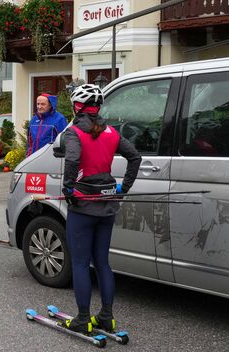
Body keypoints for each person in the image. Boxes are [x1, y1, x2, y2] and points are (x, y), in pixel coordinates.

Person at [61, 84, 141, 334]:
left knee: (81, 263)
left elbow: (72, 159)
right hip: (107, 203)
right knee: (103, 263)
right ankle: (106, 316)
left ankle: (83, 319)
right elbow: (135, 157)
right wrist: (123, 189)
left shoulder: (74, 132)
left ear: (78, 106)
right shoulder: (111, 132)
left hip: (83, 206)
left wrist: (68, 189)